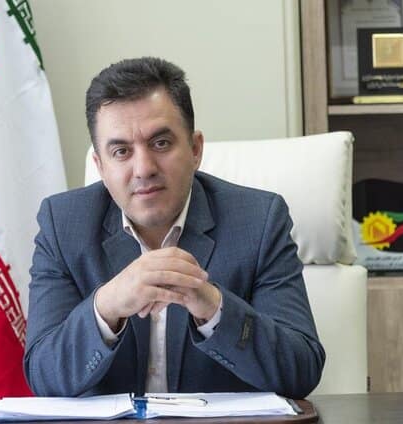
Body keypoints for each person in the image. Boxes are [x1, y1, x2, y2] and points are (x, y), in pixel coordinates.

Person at [23, 57, 324, 399]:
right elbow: (44, 376)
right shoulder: (63, 225)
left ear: (195, 149)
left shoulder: (259, 221)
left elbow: (300, 372)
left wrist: (214, 308)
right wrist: (107, 305)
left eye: (161, 143)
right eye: (121, 151)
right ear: (100, 166)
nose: (144, 168)